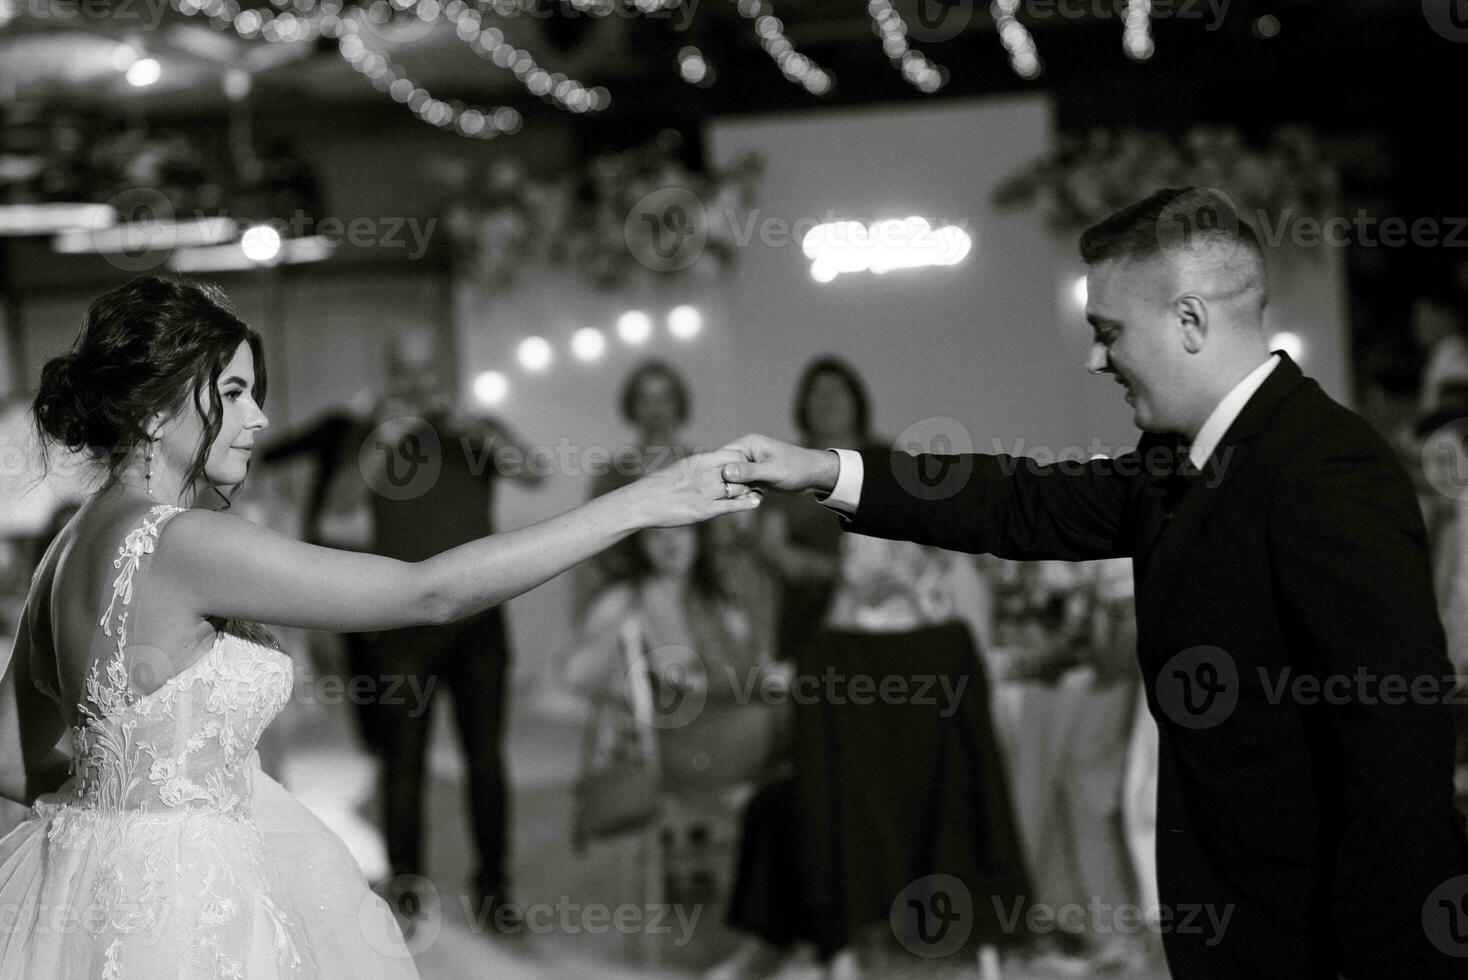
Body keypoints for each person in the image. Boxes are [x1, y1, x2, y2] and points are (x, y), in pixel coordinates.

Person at [718, 188, 1468, 978]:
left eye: (1109, 333)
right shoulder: (1180, 460)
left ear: (1190, 321)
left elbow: (1396, 751)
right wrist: (823, 471)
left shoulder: (1327, 466)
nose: (1095, 358)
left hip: (1316, 938)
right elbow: (1020, 499)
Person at [0, 276, 760, 977]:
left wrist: (132, 803)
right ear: (155, 408)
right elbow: (430, 593)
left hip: (88, 886)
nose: (260, 417)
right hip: (193, 905)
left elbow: (7, 758)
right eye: (233, 392)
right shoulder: (187, 542)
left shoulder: (65, 550)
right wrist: (646, 503)